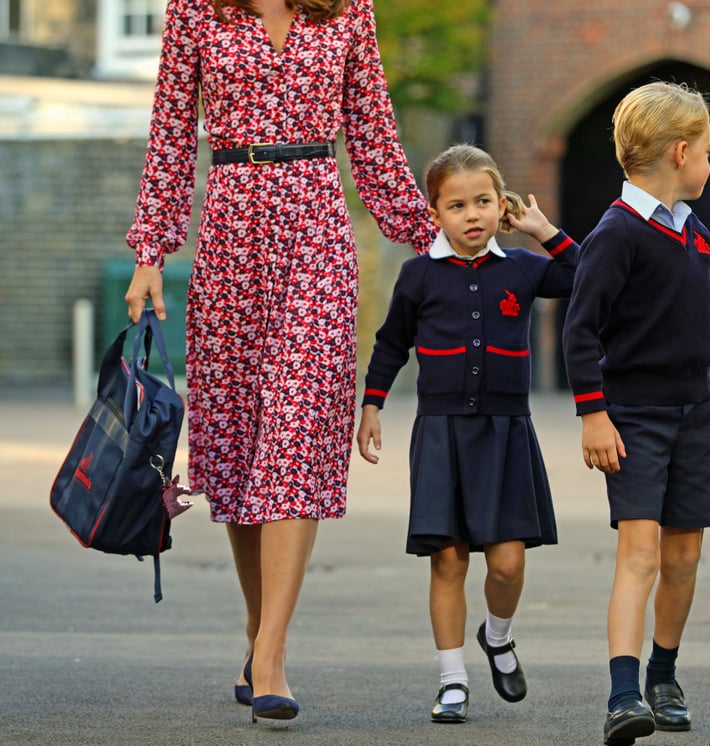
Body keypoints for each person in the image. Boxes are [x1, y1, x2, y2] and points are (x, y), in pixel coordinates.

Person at [122, 0, 438, 723]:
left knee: (295, 433)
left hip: (318, 233)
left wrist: (437, 239)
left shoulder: (347, 10)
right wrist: (150, 250)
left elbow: (374, 135)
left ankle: (271, 653)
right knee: (238, 443)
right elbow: (170, 136)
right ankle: (258, 628)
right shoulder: (196, 12)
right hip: (230, 231)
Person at [561, 81, 710, 746]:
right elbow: (580, 331)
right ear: (679, 153)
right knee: (639, 553)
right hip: (634, 417)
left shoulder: (691, 229)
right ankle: (622, 695)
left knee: (685, 555)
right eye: (704, 150)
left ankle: (662, 675)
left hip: (697, 413)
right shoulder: (616, 234)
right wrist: (593, 415)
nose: (709, 160)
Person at [355, 143, 579, 724]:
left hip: (507, 432)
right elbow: (390, 344)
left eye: (483, 201)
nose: (472, 215)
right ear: (435, 213)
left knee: (506, 564)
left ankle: (498, 637)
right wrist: (371, 407)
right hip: (441, 433)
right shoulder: (418, 274)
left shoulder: (524, 268)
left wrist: (544, 230)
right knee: (449, 561)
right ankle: (452, 681)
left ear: (500, 204)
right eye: (457, 205)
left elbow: (586, 277)